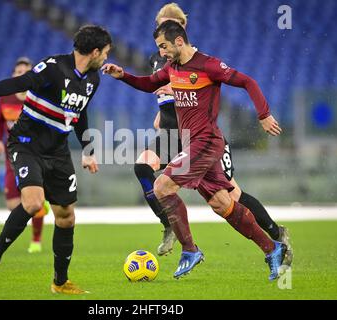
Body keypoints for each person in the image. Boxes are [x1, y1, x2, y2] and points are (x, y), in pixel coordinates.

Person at [103, 20, 286, 280]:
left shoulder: (208, 65)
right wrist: (123, 76)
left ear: (179, 41)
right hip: (193, 144)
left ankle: (190, 250)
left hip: (207, 142)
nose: (162, 53)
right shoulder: (172, 68)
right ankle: (272, 248)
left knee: (162, 187)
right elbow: (149, 83)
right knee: (222, 203)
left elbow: (248, 82)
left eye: (164, 46)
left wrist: (264, 114)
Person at [0, 25, 112, 294]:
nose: (107, 58)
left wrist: (88, 150)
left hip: (58, 150)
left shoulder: (93, 80)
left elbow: (80, 115)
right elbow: (21, 82)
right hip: (27, 144)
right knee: (33, 202)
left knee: (66, 217)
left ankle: (60, 282)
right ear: (96, 51)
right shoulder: (54, 67)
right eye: (106, 53)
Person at [0, 57, 50, 254]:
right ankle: (40, 207)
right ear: (13, 76)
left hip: (34, 153)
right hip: (11, 154)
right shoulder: (5, 97)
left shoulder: (38, 98)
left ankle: (36, 239)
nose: (22, 76)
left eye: (26, 72)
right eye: (18, 72)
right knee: (12, 204)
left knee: (33, 200)